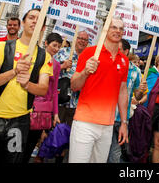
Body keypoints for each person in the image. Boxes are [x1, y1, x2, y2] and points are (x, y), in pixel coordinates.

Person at [0, 8, 53, 163]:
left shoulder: (44, 56)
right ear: (23, 23)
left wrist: (27, 84)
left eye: (39, 20)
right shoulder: (2, 47)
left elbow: (43, 89)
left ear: (44, 28)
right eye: (31, 17)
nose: (34, 21)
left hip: (19, 123)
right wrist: (14, 71)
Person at [69, 17, 129, 163]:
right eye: (114, 27)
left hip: (108, 126)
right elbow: (74, 85)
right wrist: (84, 72)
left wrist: (123, 122)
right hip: (85, 123)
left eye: (121, 28)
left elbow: (122, 92)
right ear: (105, 29)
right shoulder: (89, 53)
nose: (118, 31)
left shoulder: (124, 60)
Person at [22, 32, 62, 163]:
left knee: (31, 142)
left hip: (43, 110)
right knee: (18, 142)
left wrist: (55, 113)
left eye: (59, 47)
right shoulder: (36, 57)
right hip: (27, 105)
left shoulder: (56, 65)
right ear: (46, 43)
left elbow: (54, 90)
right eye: (54, 45)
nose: (56, 49)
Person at [107, 39, 146, 163]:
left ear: (126, 51)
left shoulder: (135, 71)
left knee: (114, 153)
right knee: (99, 151)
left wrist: (140, 90)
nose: (114, 51)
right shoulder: (108, 64)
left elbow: (138, 96)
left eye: (118, 49)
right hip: (104, 116)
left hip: (121, 119)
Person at [55, 31, 89, 128]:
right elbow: (49, 70)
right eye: (80, 38)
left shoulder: (89, 58)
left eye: (85, 40)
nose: (82, 41)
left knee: (70, 133)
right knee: (55, 133)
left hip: (77, 104)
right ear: (75, 39)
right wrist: (62, 66)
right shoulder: (63, 52)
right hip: (60, 101)